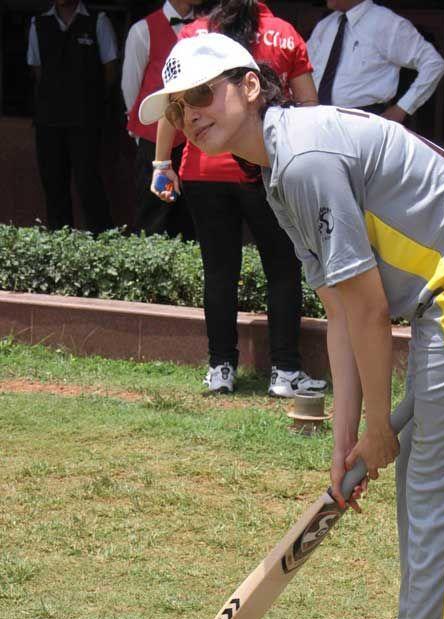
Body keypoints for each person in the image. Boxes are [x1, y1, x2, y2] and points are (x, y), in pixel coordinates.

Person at [139, 34, 444, 619]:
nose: (189, 114)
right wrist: (348, 440)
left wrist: (377, 430)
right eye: (177, 108)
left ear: (251, 85)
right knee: (427, 491)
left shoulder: (302, 159)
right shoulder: (282, 170)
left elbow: (367, 313)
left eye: (202, 93)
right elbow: (338, 309)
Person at [150, 1, 326, 397]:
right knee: (282, 267)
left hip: (203, 169)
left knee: (218, 270)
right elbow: (310, 106)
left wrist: (162, 162)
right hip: (265, 164)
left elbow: (172, 105)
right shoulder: (285, 32)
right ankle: (284, 371)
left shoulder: (194, 33)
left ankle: (221, 368)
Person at [27, 0, 117, 233]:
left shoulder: (98, 20)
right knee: (53, 185)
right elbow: (37, 70)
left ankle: (102, 242)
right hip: (49, 120)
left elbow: (110, 70)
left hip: (86, 120)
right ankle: (61, 244)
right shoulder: (38, 23)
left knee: (88, 183)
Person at [121, 0, 202, 238]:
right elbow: (131, 88)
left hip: (195, 140)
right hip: (154, 142)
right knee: (153, 214)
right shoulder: (143, 30)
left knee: (190, 216)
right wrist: (141, 136)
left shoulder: (209, 28)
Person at [307, 0, 444, 122]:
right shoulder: (325, 25)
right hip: (318, 118)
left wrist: (402, 108)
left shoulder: (387, 23)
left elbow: (434, 64)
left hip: (364, 122)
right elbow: (303, 68)